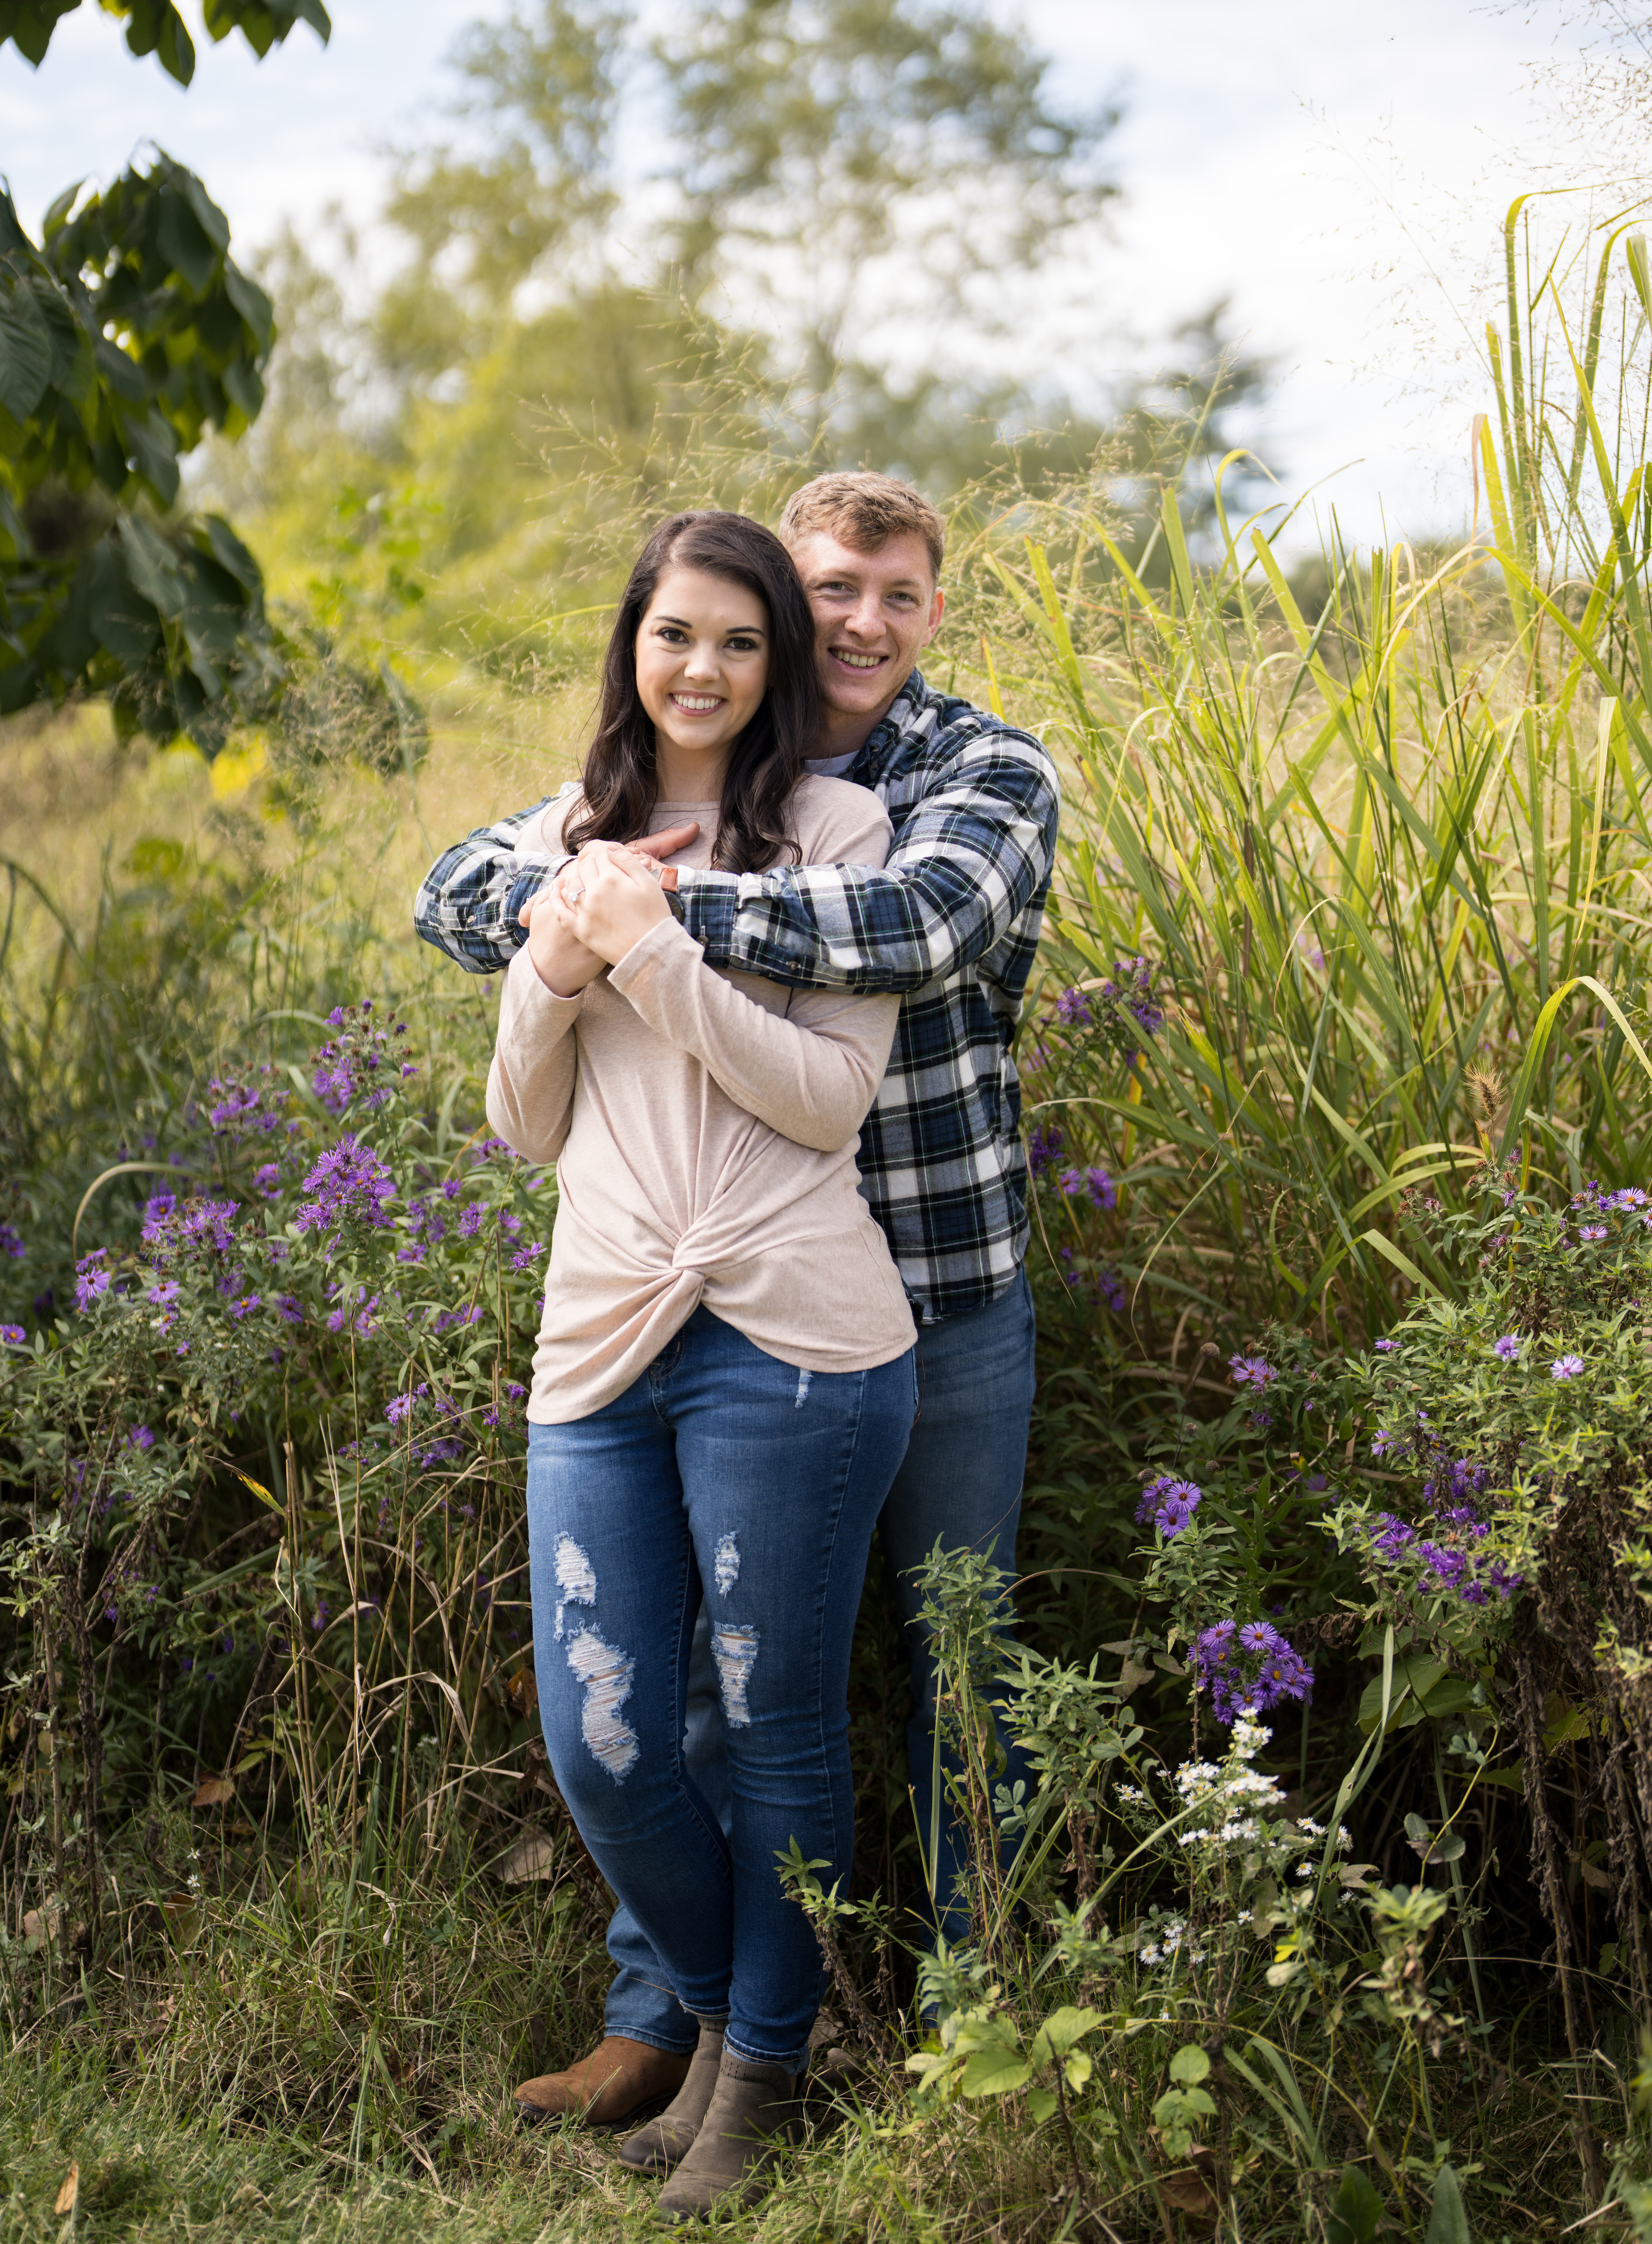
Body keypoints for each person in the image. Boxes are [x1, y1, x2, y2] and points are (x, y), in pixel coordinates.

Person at [415, 471, 1060, 2122]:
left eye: (897, 594)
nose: (863, 621)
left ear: (932, 612)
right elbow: (455, 891)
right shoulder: (656, 775)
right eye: (832, 586)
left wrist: (645, 907)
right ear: (779, 596)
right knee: (694, 1690)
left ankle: (973, 2035)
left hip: (936, 1278)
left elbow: (919, 926)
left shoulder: (970, 772)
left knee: (957, 1663)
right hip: (699, 1297)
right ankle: (680, 2019)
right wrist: (576, 899)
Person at [485, 508, 918, 2219]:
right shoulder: (565, 835)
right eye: (677, 632)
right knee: (602, 1734)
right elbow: (524, 1123)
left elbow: (825, 1103)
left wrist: (655, 950)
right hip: (602, 1337)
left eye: (742, 641)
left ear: (775, 663)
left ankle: (761, 2079)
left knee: (774, 1720)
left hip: (795, 1341)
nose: (705, 667)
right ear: (634, 642)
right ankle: (730, 2021)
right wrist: (558, 951)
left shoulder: (838, 834)